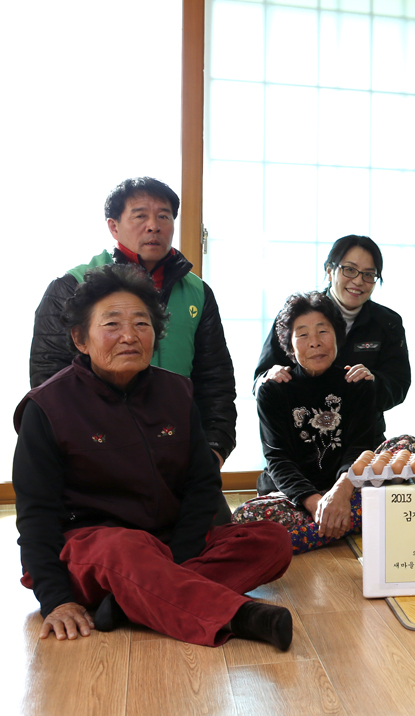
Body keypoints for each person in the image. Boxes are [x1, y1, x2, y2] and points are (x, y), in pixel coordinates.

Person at [14, 264, 293, 649]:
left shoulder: (177, 393)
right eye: (112, 324)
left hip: (166, 542)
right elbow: (35, 515)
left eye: (142, 324)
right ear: (80, 339)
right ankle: (240, 616)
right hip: (93, 549)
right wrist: (56, 599)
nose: (129, 336)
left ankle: (131, 604)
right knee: (125, 550)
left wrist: (176, 558)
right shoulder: (47, 406)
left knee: (272, 539)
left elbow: (201, 485)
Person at [30, 177, 236, 468]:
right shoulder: (73, 285)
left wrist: (214, 449)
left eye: (163, 216)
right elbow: (49, 377)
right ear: (113, 226)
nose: (154, 226)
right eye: (140, 216)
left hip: (179, 450)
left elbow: (215, 378)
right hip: (97, 453)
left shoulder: (198, 292)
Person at [232, 292, 384, 553]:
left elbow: (360, 448)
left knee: (405, 450)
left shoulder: (357, 384)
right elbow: (277, 459)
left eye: (323, 331)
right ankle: (340, 523)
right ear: (290, 346)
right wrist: (317, 504)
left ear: (337, 336)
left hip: (345, 489)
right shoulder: (274, 389)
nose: (314, 342)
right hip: (295, 497)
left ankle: (309, 532)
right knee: (244, 517)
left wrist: (340, 493)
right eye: (302, 335)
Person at [254, 235, 410, 438]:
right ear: (329, 270)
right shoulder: (297, 316)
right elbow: (261, 379)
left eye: (369, 274)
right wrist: (268, 379)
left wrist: (371, 383)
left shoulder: (387, 322)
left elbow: (398, 385)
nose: (358, 281)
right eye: (350, 270)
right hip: (303, 441)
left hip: (363, 440)